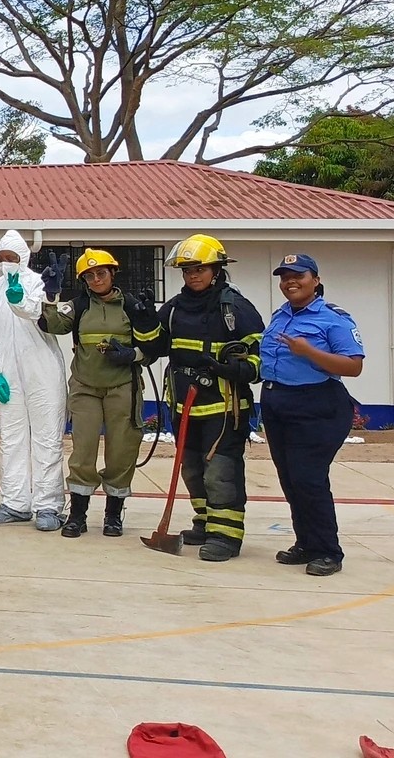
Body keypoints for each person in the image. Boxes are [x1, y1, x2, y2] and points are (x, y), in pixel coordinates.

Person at [146, 234, 265, 562]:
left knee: (220, 470)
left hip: (224, 408)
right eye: (187, 270)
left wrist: (239, 371)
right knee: (193, 470)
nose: (193, 275)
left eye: (199, 269)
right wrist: (143, 320)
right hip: (184, 405)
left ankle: (226, 535)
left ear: (217, 269)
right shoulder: (174, 309)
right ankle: (206, 522)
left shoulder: (235, 308)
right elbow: (153, 349)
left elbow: (263, 357)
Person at [39, 249, 160, 538]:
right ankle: (78, 516)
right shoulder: (79, 305)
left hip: (123, 387)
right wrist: (51, 295)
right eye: (89, 275)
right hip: (86, 388)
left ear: (113, 273)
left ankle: (113, 516)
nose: (96, 279)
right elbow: (50, 324)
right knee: (83, 452)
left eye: (101, 273)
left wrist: (133, 354)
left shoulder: (131, 306)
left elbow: (154, 350)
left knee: (121, 451)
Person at [259, 254, 365, 577]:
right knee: (291, 478)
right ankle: (305, 542)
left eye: (298, 276)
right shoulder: (281, 316)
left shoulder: (333, 318)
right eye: (285, 277)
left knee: (309, 478)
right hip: (278, 402)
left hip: (317, 405)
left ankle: (328, 551)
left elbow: (354, 366)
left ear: (315, 280)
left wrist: (310, 352)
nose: (290, 282)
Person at [0, 230, 70, 531]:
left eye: (12, 258)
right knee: (11, 440)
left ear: (24, 258)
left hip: (43, 372)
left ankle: (48, 505)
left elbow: (39, 312)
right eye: (1, 258)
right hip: (8, 376)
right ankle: (15, 503)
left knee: (47, 439)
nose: (6, 263)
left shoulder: (40, 284)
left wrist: (27, 297)